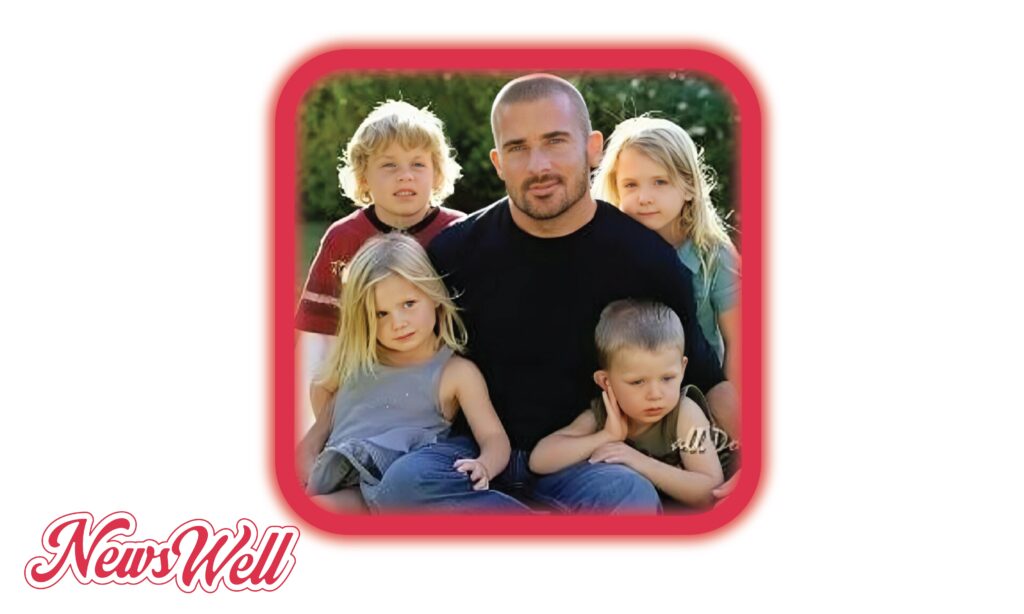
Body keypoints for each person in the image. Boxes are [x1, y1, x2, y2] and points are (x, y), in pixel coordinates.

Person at [373, 74, 739, 513]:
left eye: (555, 141)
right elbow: (399, 355)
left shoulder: (648, 260)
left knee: (630, 496)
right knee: (403, 486)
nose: (538, 165)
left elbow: (706, 378)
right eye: (517, 148)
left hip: (587, 457)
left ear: (592, 148)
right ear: (498, 162)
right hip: (474, 453)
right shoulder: (453, 252)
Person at [296, 233, 515, 513]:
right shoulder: (357, 367)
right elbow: (313, 439)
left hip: (398, 492)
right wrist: (308, 477)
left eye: (409, 304)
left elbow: (494, 437)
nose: (398, 323)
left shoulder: (455, 373)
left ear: (434, 295)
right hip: (343, 483)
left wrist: (485, 465)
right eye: (381, 314)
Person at [295, 100, 465, 423]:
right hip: (365, 390)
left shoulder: (461, 231)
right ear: (364, 177)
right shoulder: (343, 238)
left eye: (418, 164)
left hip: (445, 390)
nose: (405, 176)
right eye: (389, 165)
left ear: (437, 173)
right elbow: (320, 334)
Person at [530, 300, 730, 508]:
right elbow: (539, 460)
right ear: (606, 381)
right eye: (638, 382)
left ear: (682, 368)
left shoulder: (685, 414)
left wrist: (637, 460)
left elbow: (710, 491)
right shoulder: (607, 414)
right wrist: (606, 436)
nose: (655, 394)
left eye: (667, 378)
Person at [593, 116, 741, 383]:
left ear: (689, 187)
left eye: (660, 182)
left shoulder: (714, 255)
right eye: (631, 185)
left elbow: (740, 344)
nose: (644, 197)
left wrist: (729, 400)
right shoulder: (609, 252)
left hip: (699, 389)